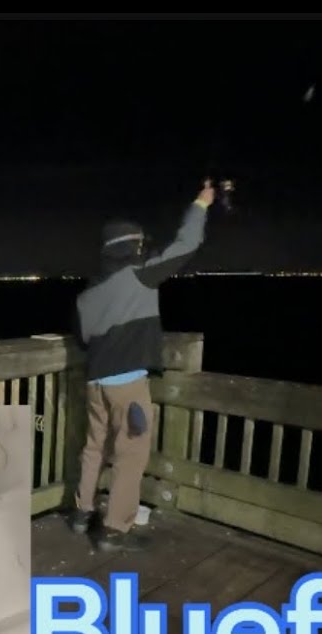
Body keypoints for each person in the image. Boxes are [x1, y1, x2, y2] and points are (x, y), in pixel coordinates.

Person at [70, 180, 214, 551]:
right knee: (131, 456)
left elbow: (84, 339)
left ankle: (82, 513)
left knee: (94, 447)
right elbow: (186, 245)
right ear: (131, 247)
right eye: (139, 244)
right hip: (128, 388)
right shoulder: (140, 276)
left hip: (95, 384)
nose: (143, 248)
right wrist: (200, 203)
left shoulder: (87, 295)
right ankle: (115, 530)